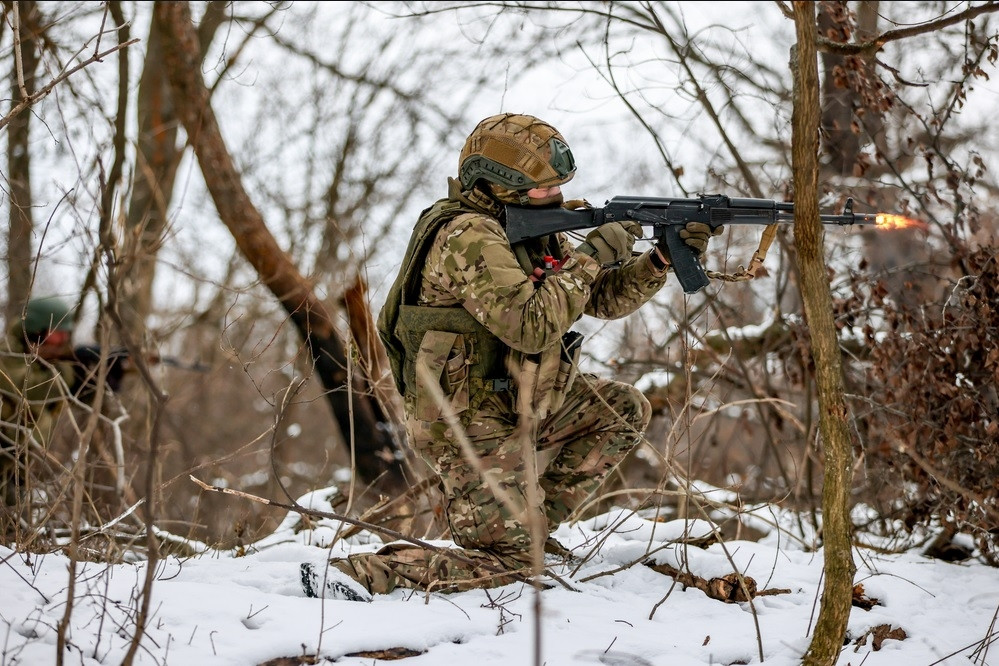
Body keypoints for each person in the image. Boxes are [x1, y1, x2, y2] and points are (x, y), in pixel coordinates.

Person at [321, 113, 724, 599]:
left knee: (623, 410)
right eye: (542, 188)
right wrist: (592, 254)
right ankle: (362, 575)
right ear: (499, 184)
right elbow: (532, 326)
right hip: (464, 417)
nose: (555, 196)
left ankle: (526, 533)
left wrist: (658, 259)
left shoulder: (524, 228)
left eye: (557, 186)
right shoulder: (468, 235)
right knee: (511, 565)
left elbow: (598, 300)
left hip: (514, 395)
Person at [0, 296, 78, 508]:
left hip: (17, 465)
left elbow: (71, 399)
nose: (61, 342)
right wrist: (69, 369)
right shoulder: (7, 353)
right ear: (35, 331)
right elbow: (31, 391)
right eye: (55, 336)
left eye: (65, 335)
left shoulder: (42, 360)